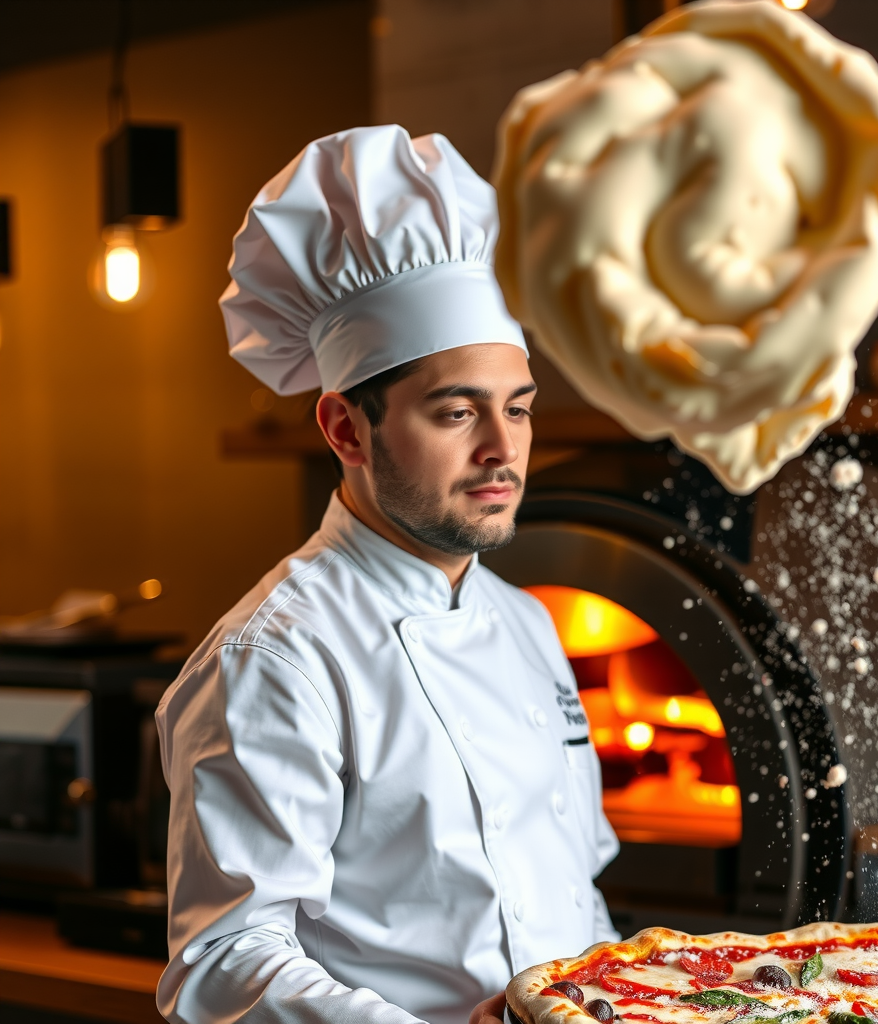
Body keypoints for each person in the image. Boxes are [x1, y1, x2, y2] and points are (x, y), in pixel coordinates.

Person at [155, 125, 619, 1024]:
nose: (502, 451)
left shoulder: (528, 623)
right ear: (345, 430)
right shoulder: (276, 657)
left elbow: (574, 896)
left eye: (517, 410)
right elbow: (222, 964)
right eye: (456, 412)